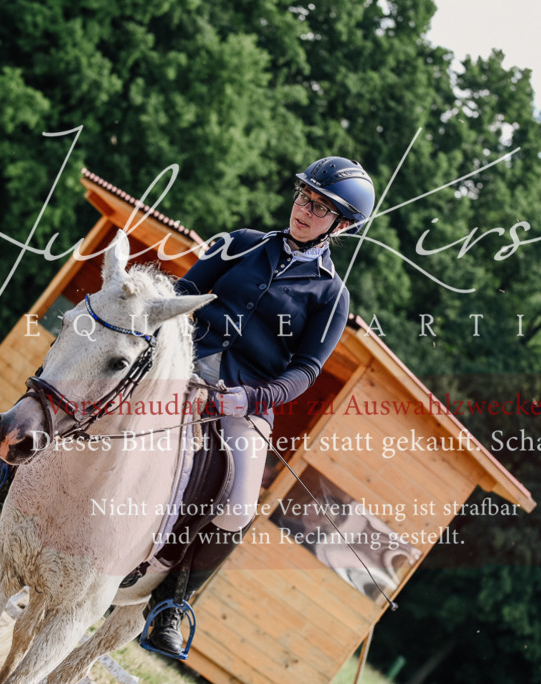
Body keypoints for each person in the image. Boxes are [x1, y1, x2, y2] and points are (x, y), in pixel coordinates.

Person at [141, 156, 375, 657]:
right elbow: (184, 292)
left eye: (321, 207)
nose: (305, 211)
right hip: (182, 359)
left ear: (343, 225)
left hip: (243, 397)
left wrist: (253, 397)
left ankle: (170, 605)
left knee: (239, 504)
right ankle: (5, 467)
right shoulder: (242, 242)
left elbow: (306, 371)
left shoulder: (332, 294)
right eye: (304, 197)